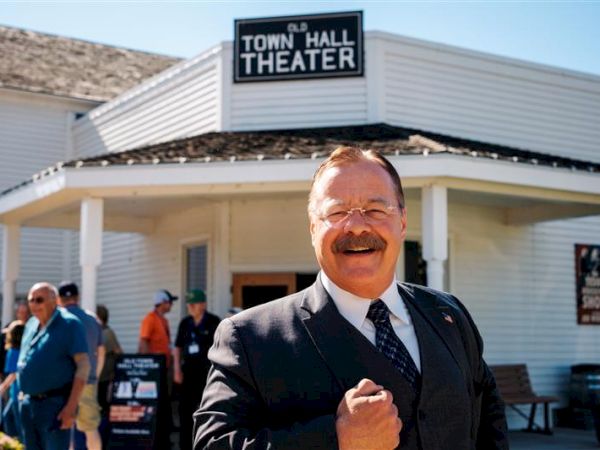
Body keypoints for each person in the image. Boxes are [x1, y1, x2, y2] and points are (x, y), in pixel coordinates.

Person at [194, 147, 508, 449]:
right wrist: (336, 440)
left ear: (401, 221)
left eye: (375, 209)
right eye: (337, 211)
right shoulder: (249, 339)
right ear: (313, 228)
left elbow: (487, 418)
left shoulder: (448, 315)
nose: (357, 226)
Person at [18, 282, 90, 450]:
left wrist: (71, 407)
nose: (34, 304)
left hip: (54, 405)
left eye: (39, 300)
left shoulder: (69, 324)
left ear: (54, 300)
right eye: (31, 300)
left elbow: (83, 365)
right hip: (28, 403)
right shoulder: (30, 325)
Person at [57, 281, 104, 450]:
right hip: (87, 381)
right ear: (77, 297)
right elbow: (101, 352)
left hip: (62, 384)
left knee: (64, 429)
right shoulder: (92, 319)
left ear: (59, 299)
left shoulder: (58, 319)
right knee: (91, 429)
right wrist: (94, 377)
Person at [173, 289, 220, 450]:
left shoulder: (214, 322)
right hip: (187, 374)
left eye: (194, 304)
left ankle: (206, 445)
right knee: (185, 412)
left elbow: (221, 349)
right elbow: (178, 348)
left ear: (203, 305)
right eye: (189, 304)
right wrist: (177, 370)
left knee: (206, 411)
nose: (190, 307)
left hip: (207, 374)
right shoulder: (185, 323)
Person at [138, 289, 178, 449]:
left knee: (165, 401)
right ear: (163, 302)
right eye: (170, 301)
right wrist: (148, 366)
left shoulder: (164, 321)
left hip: (165, 367)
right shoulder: (150, 319)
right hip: (155, 369)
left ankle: (165, 433)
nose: (171, 305)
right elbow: (143, 342)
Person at [0, 320, 25, 442]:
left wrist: (3, 387)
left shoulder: (13, 351)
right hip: (20, 393)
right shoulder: (24, 350)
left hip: (16, 394)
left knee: (14, 424)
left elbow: (14, 373)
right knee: (9, 419)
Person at [95, 304, 122, 415]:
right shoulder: (100, 332)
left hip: (105, 377)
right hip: (99, 377)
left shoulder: (107, 333)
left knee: (103, 405)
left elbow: (118, 352)